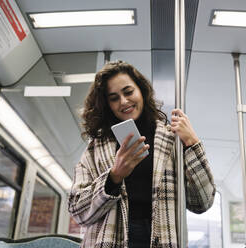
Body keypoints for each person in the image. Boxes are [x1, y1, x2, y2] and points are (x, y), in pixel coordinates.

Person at [68, 61, 215, 248]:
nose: (123, 101)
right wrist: (113, 177)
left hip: (161, 238)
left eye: (128, 92)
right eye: (114, 98)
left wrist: (193, 144)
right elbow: (77, 211)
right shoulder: (95, 148)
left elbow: (202, 202)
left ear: (142, 91)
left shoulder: (172, 140)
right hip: (108, 240)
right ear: (107, 105)